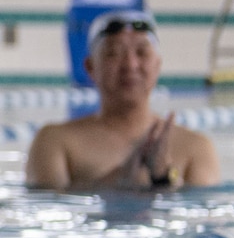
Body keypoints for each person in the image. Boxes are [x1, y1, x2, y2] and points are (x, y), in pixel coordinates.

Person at [24, 10, 219, 191]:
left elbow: (204, 220)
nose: (130, 65)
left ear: (157, 65)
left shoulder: (196, 148)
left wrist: (164, 177)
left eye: (142, 53)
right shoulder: (55, 142)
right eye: (113, 53)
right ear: (91, 67)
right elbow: (50, 215)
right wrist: (122, 179)